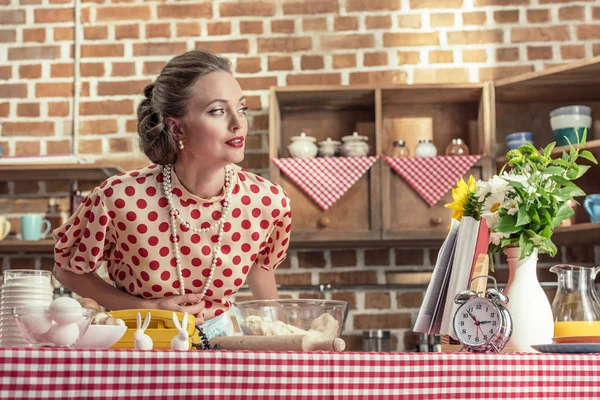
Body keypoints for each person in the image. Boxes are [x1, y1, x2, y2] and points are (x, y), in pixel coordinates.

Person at [53, 50, 292, 338]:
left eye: (241, 108)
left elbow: (260, 269)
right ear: (176, 127)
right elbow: (67, 270)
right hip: (136, 342)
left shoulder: (268, 201)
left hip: (220, 343)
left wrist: (282, 341)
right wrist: (147, 307)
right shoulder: (118, 198)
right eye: (218, 110)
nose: (238, 123)